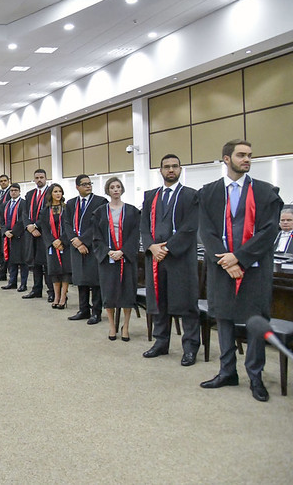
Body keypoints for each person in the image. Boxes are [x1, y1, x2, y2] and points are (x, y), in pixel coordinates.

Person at [198, 139, 283, 402]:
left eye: (249, 155)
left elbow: (269, 231)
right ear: (226, 159)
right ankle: (227, 371)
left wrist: (239, 258)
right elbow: (206, 230)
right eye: (241, 155)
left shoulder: (266, 191)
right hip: (221, 267)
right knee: (223, 318)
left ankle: (255, 375)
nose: (247, 159)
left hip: (254, 269)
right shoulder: (208, 192)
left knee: (255, 321)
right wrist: (226, 261)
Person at [141, 155, 201, 366]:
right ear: (160, 171)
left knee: (186, 303)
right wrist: (151, 246)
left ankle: (190, 347)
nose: (171, 170)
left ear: (180, 169)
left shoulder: (191, 196)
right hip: (156, 258)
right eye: (166, 167)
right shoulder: (151, 196)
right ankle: (161, 342)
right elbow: (144, 226)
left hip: (180, 258)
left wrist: (167, 248)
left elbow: (190, 227)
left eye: (175, 166)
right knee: (159, 300)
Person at [92, 177, 140, 342]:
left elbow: (135, 235)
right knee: (109, 293)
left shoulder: (133, 211)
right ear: (108, 190)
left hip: (126, 258)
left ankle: (125, 326)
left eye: (118, 186)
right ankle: (112, 325)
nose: (115, 189)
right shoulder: (99, 212)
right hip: (108, 259)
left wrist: (123, 251)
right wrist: (108, 251)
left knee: (127, 292)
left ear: (122, 189)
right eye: (112, 187)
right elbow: (96, 236)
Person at [63, 174, 108, 323]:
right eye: (84, 184)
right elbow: (67, 223)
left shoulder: (100, 202)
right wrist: (74, 241)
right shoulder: (70, 203)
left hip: (93, 246)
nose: (88, 186)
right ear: (77, 187)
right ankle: (83, 309)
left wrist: (82, 241)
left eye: (89, 183)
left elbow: (99, 224)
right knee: (80, 279)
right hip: (75, 247)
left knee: (94, 280)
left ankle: (96, 312)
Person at [37, 184, 72, 309]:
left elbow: (69, 226)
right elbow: (44, 229)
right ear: (50, 194)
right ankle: (56, 296)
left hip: (64, 245)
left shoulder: (67, 208)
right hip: (52, 245)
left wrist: (61, 241)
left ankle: (63, 297)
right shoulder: (45, 211)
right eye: (55, 191)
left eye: (60, 192)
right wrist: (53, 241)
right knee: (54, 271)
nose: (58, 194)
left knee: (65, 271)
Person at [23, 169, 54, 301]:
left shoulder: (51, 193)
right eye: (37, 177)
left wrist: (36, 225)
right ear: (34, 179)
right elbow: (24, 213)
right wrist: (29, 226)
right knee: (35, 262)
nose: (39, 179)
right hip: (31, 234)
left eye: (41, 177)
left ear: (46, 178)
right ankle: (36, 289)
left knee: (46, 264)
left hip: (45, 233)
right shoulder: (30, 194)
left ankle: (51, 291)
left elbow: (49, 213)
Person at [1, 183, 29, 291]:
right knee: (11, 261)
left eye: (16, 190)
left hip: (20, 236)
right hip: (8, 236)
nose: (13, 192)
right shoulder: (5, 204)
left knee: (22, 262)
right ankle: (12, 282)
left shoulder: (23, 204)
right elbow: (2, 221)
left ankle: (23, 284)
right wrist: (5, 231)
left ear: (19, 191)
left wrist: (13, 232)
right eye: (12, 190)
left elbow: (23, 219)